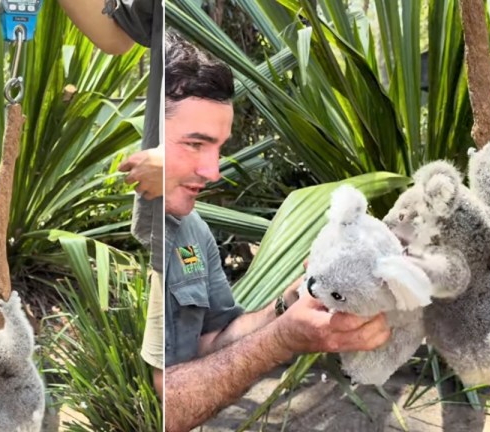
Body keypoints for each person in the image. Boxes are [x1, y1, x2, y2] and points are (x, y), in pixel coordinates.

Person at [162, 31, 392, 431]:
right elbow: (152, 406)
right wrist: (281, 340)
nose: (213, 172)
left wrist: (290, 302)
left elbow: (212, 344)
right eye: (195, 144)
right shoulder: (107, 244)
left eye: (219, 148)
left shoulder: (192, 231)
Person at [56, 0, 165, 395]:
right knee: (168, 375)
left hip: (198, 195)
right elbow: (117, 34)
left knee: (184, 373)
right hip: (170, 214)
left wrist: (181, 156)